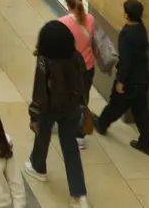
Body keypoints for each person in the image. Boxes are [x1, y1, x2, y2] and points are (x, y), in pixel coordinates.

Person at [25, 20, 90, 206]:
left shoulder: (45, 60)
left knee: (42, 135)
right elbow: (82, 81)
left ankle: (38, 167)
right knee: (70, 147)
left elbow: (40, 90)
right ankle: (79, 194)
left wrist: (34, 115)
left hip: (50, 108)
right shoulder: (75, 56)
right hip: (72, 107)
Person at [95, 0, 149, 155]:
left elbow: (125, 60)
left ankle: (102, 124)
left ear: (126, 15)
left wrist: (121, 81)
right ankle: (146, 140)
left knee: (116, 104)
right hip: (142, 76)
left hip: (130, 79)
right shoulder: (141, 28)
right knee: (140, 109)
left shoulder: (126, 34)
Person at [57, 0, 100, 148]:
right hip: (87, 67)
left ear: (67, 4)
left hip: (69, 69)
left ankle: (67, 125)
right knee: (82, 99)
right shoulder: (91, 19)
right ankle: (80, 134)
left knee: (67, 97)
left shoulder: (62, 23)